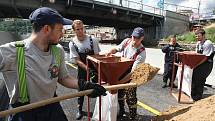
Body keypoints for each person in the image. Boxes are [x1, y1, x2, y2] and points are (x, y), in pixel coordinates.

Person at [0, 7, 106, 121]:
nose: (62, 33)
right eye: (59, 29)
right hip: (24, 112)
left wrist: (85, 86)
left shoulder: (58, 50)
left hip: (51, 106)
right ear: (46, 29)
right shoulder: (12, 51)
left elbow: (63, 78)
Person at [106, 27, 146, 120]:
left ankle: (133, 116)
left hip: (131, 75)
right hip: (122, 71)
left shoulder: (141, 52)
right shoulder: (127, 41)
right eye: (133, 37)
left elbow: (133, 72)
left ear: (142, 38)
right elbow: (118, 48)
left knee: (131, 97)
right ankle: (122, 111)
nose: (134, 40)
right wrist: (111, 51)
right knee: (120, 94)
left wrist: (120, 83)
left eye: (137, 38)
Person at [69, 19, 100, 120]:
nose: (81, 31)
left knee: (99, 88)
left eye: (82, 28)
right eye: (78, 29)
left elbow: (96, 56)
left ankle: (101, 108)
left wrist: (94, 70)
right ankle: (79, 109)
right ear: (74, 30)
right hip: (82, 68)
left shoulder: (93, 40)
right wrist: (87, 69)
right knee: (81, 88)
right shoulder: (72, 43)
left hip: (94, 67)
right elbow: (77, 60)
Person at [191, 29, 214, 101]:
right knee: (194, 78)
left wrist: (196, 65)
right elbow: (197, 54)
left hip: (206, 64)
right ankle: (193, 94)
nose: (197, 37)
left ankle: (198, 96)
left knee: (200, 80)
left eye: (198, 36)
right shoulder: (198, 43)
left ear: (203, 35)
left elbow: (205, 57)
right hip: (198, 63)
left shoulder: (208, 43)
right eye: (196, 36)